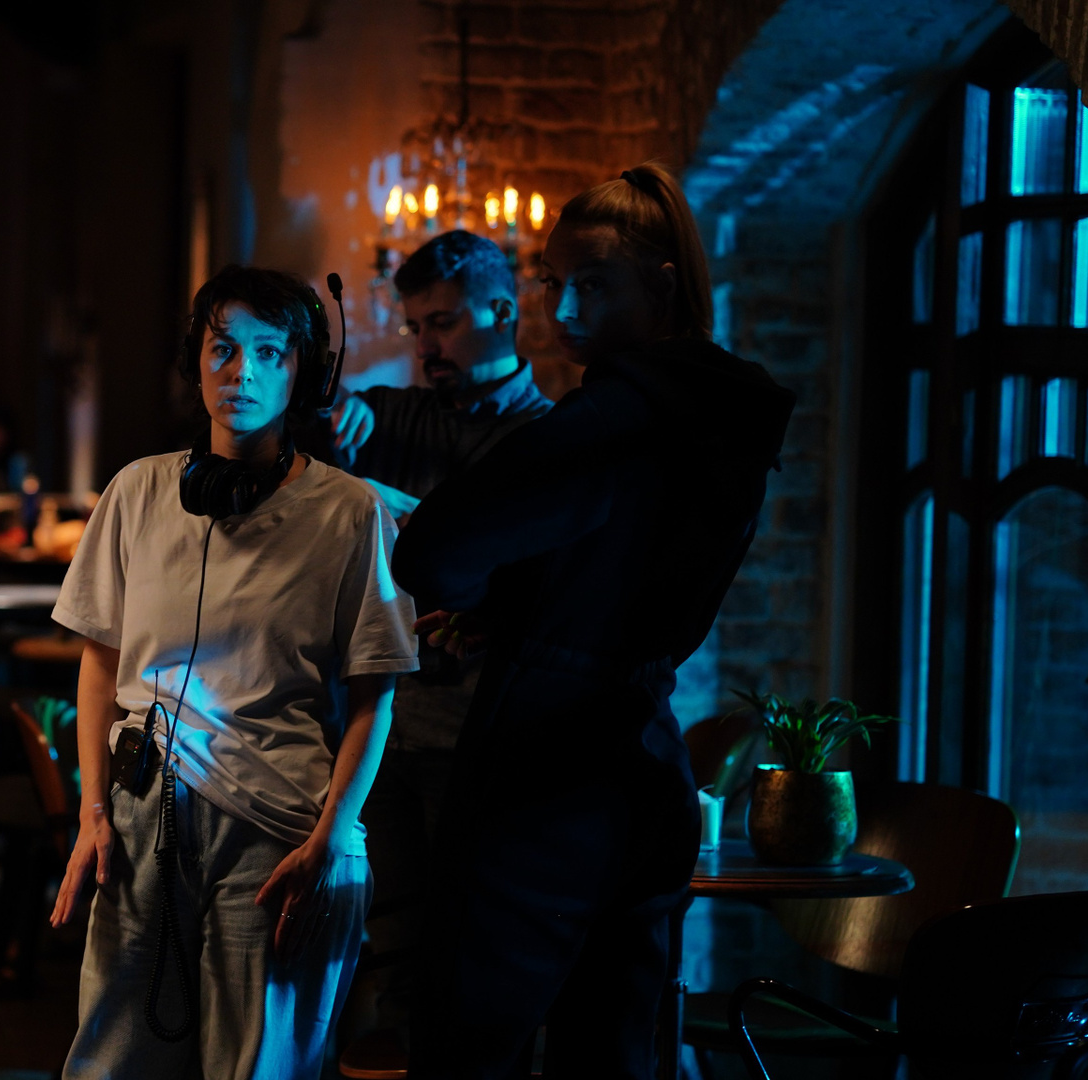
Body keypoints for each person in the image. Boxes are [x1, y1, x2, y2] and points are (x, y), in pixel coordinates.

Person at [393, 162, 795, 1079]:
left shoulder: (610, 421)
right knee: (613, 1057)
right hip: (646, 761)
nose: (563, 309)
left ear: (661, 285)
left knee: (464, 1052)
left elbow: (433, 554)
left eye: (594, 284)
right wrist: (521, 605)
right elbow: (627, 567)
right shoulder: (729, 418)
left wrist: (504, 609)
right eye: (552, 283)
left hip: (545, 776)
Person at [49, 264, 418, 1080]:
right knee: (112, 1064)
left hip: (281, 833)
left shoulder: (351, 513)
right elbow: (99, 663)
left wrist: (330, 841)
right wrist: (93, 812)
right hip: (144, 815)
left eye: (268, 352)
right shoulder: (137, 492)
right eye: (222, 348)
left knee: (256, 1068)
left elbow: (375, 699)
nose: (240, 372)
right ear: (196, 360)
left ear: (304, 371)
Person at [327, 231, 552, 1035]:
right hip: (383, 731)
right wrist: (336, 410)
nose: (425, 346)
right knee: (394, 962)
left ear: (502, 311)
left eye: (444, 324)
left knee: (477, 961)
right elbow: (313, 428)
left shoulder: (550, 438)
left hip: (485, 740)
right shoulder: (393, 416)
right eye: (416, 327)